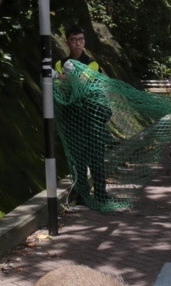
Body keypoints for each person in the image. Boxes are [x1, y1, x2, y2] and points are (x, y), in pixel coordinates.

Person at [55, 25, 110, 204]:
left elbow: (81, 84)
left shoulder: (92, 63)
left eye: (81, 40)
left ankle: (101, 194)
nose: (78, 44)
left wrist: (62, 77)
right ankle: (83, 196)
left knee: (96, 156)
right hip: (72, 116)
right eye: (74, 40)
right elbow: (60, 88)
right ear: (67, 42)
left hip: (92, 116)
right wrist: (64, 79)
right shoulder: (60, 63)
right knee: (77, 158)